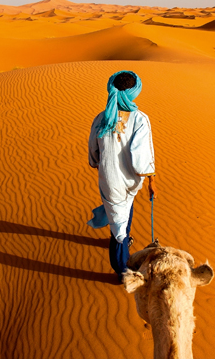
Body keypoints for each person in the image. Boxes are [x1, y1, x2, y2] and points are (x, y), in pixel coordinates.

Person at [88, 70, 158, 281]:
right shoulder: (140, 119)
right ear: (134, 92)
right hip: (130, 181)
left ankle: (123, 239)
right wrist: (151, 179)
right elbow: (141, 158)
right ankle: (122, 271)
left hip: (109, 180)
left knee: (121, 210)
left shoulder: (101, 117)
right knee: (118, 230)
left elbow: (93, 152)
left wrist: (100, 163)